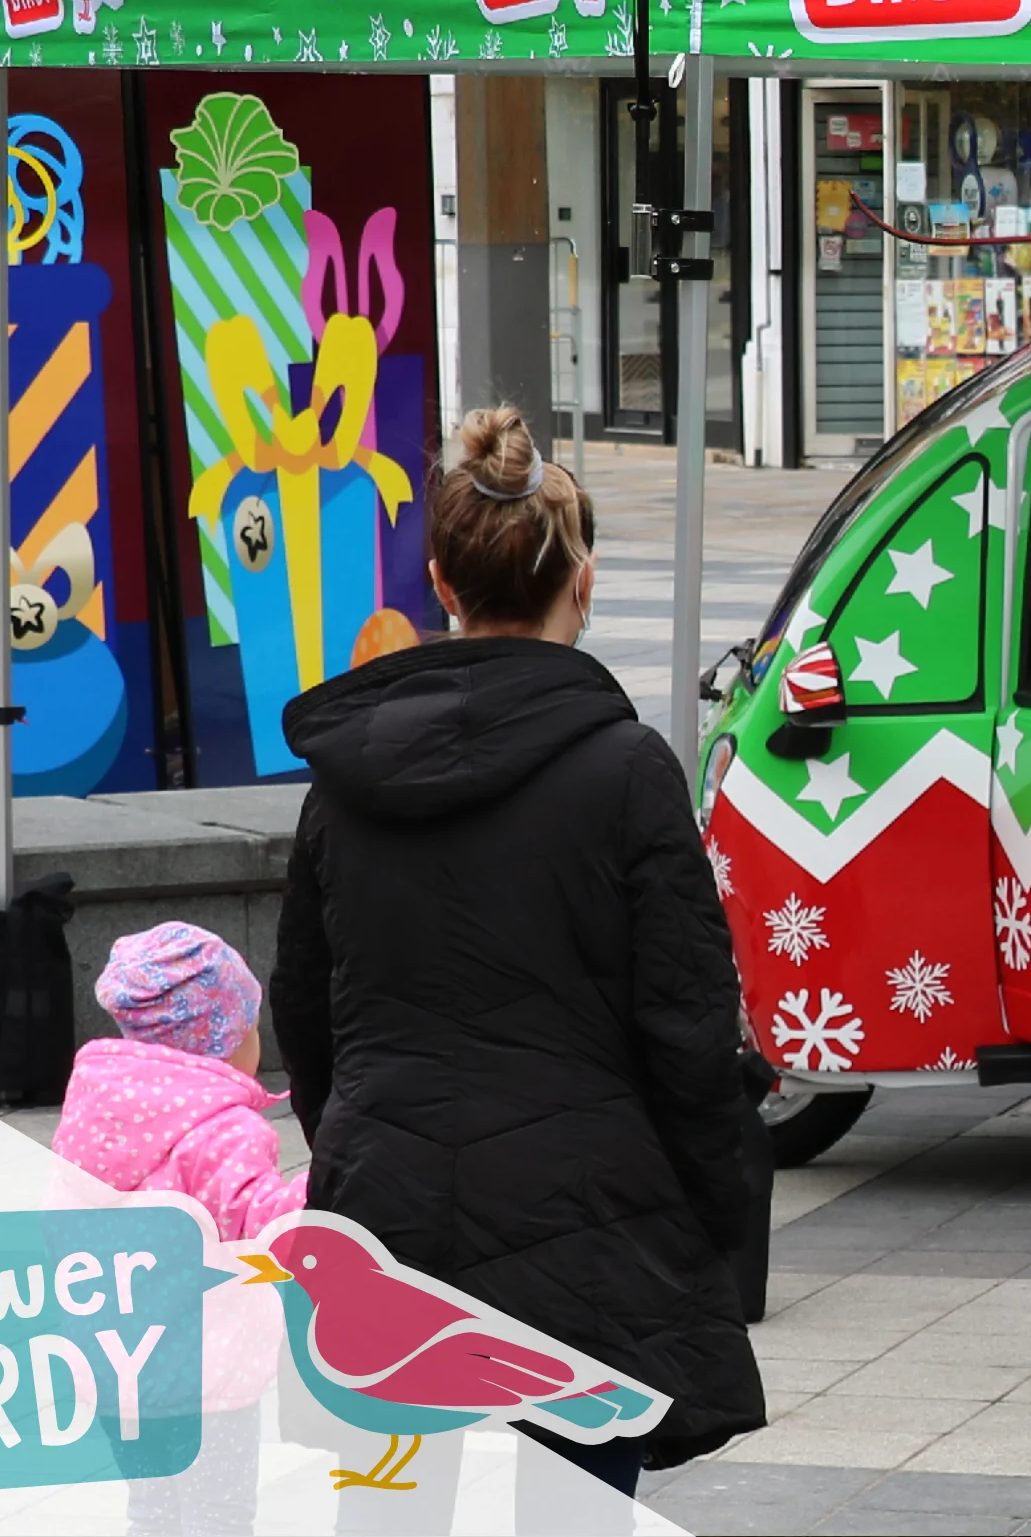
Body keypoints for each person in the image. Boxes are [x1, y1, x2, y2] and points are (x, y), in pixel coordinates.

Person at [269, 406, 764, 1506]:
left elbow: (300, 1006)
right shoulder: (628, 771)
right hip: (587, 1212)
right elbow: (688, 1023)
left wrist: (354, 1143)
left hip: (385, 1202)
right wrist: (706, 1209)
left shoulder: (344, 783)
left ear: (441, 583)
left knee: (387, 1509)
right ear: (578, 583)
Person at [53, 921, 303, 1536]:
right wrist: (331, 1181)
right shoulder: (222, 1131)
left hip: (120, 1367)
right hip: (208, 1373)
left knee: (154, 1513)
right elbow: (273, 1233)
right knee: (219, 1516)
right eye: (251, 1025)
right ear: (223, 1038)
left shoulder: (93, 1107)